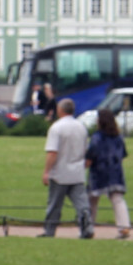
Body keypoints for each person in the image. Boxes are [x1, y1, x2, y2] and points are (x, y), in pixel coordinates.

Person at [40, 98, 92, 238]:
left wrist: (46, 171)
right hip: (77, 172)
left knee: (55, 204)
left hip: (60, 173)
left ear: (60, 110)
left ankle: (50, 230)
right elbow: (86, 150)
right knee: (82, 204)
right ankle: (87, 227)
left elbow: (52, 152)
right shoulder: (81, 127)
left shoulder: (56, 128)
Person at [87, 107, 131, 240]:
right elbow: (123, 154)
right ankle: (124, 227)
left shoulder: (97, 137)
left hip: (99, 172)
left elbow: (91, 155)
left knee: (92, 200)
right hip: (115, 171)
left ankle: (88, 228)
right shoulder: (118, 137)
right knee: (117, 199)